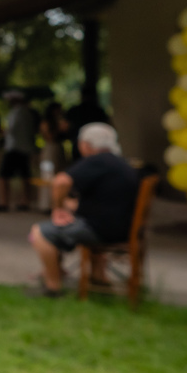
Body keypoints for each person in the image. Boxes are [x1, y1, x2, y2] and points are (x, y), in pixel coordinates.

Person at [28, 123, 139, 297]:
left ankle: (53, 286)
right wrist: (68, 206)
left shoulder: (97, 161)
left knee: (39, 233)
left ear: (86, 144)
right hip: (122, 228)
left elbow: (61, 182)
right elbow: (104, 202)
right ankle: (98, 277)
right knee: (62, 225)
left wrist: (57, 209)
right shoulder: (120, 163)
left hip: (101, 230)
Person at [0, 90, 37, 212]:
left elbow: (11, 129)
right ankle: (25, 201)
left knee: (5, 175)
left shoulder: (17, 112)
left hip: (14, 147)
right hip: (25, 147)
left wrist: (2, 132)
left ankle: (5, 202)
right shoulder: (27, 112)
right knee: (24, 175)